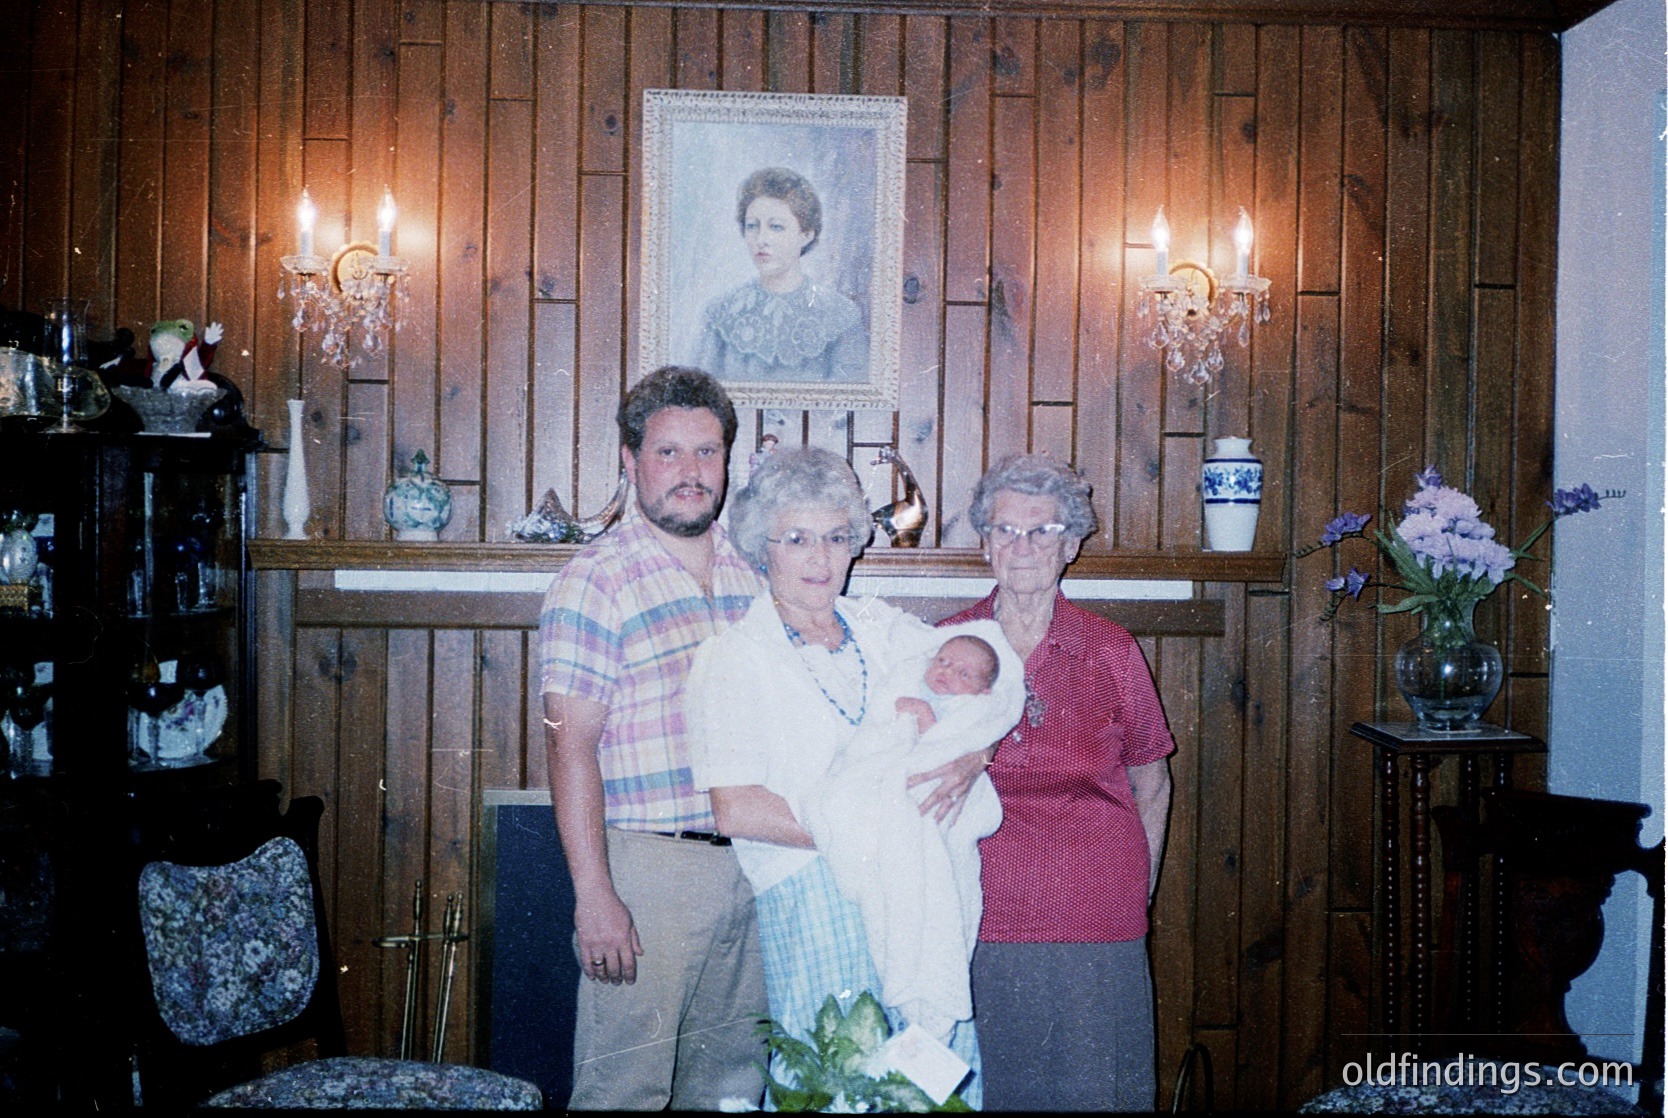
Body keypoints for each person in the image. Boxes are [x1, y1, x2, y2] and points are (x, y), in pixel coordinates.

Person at [683, 447, 993, 1105]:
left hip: (919, 894)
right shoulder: (733, 659)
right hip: (814, 894)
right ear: (759, 550)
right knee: (837, 1083)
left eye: (834, 537)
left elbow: (988, 689)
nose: (820, 559)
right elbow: (735, 808)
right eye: (796, 539)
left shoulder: (884, 631)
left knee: (925, 1081)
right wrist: (874, 828)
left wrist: (975, 752)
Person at [537, 366, 767, 1110]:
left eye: (708, 452)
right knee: (623, 1090)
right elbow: (568, 745)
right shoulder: (595, 578)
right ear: (631, 462)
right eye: (669, 453)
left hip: (754, 869)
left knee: (733, 1087)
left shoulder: (755, 576)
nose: (692, 472)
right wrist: (594, 894)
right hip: (648, 872)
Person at [934, 454, 1177, 1112]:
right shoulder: (943, 647)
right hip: (980, 912)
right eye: (1006, 530)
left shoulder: (1111, 650)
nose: (1023, 547)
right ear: (983, 542)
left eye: (1042, 531)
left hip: (1096, 914)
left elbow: (1151, 786)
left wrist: (1138, 890)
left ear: (1071, 544)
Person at [799, 622, 1023, 1045]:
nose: (947, 674)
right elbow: (875, 738)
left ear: (982, 691)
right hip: (894, 793)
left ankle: (925, 994)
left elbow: (957, 741)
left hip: (933, 807)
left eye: (964, 674)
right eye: (943, 661)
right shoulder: (908, 681)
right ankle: (910, 983)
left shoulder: (970, 708)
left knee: (930, 895)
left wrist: (924, 721)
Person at [694, 167, 868, 383]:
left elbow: (853, 405)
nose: (761, 239)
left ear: (806, 234)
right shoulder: (719, 314)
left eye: (776, 227)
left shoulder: (841, 316)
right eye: (752, 226)